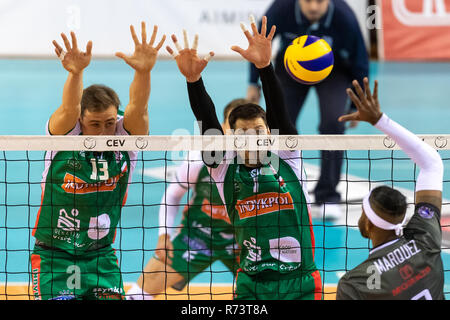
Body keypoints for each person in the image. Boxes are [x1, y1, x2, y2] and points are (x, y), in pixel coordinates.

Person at [165, 16, 322, 300]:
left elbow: (279, 111)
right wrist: (193, 80)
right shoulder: (222, 168)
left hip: (300, 282)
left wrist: (264, 66)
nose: (252, 139)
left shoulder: (287, 155)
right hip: (251, 283)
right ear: (232, 139)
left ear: (270, 132)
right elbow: (207, 120)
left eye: (259, 131)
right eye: (243, 134)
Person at [30, 23, 166, 300]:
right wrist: (76, 73)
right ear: (81, 120)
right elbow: (69, 107)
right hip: (54, 254)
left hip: (100, 254)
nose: (103, 131)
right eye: (95, 124)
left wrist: (143, 71)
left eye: (108, 122)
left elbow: (138, 107)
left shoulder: (126, 140)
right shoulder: (64, 134)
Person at [247, 0, 369, 219]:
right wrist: (252, 82)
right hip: (290, 69)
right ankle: (276, 191)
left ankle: (328, 196)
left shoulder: (344, 16)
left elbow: (360, 58)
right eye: (308, 1)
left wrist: (357, 101)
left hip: (334, 71)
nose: (313, 7)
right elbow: (258, 44)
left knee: (333, 123)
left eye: (320, 2)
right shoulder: (282, 8)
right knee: (276, 125)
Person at [126, 99, 247, 300]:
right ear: (223, 126)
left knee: (267, 293)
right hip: (199, 234)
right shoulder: (200, 158)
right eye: (233, 125)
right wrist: (164, 234)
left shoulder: (268, 163)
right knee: (139, 294)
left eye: (245, 129)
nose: (238, 133)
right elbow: (173, 195)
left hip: (243, 240)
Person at [336, 78, 444, 300]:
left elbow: (432, 163)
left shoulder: (354, 284)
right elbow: (432, 162)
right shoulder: (426, 237)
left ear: (367, 223)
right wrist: (380, 120)